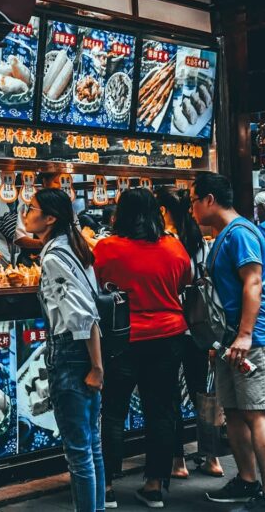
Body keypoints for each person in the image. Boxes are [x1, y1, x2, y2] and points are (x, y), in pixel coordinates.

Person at [191, 172, 265, 512]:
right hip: (231, 339)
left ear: (209, 200)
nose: (191, 208)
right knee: (233, 411)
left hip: (255, 337)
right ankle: (247, 481)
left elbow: (253, 283)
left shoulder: (242, 233)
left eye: (193, 200)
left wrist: (246, 334)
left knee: (258, 413)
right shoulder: (225, 235)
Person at [94, 188, 192, 508]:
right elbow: (183, 284)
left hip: (122, 340)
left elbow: (96, 287)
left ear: (120, 213)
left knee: (112, 411)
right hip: (168, 338)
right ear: (156, 213)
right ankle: (153, 486)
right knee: (161, 411)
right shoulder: (175, 247)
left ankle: (106, 487)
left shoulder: (107, 247)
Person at [22, 188, 105, 512]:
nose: (26, 213)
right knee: (91, 446)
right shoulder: (72, 246)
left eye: (31, 208)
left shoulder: (55, 257)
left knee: (79, 452)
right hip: (82, 352)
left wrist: (96, 367)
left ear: (50, 218)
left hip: (71, 353)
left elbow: (83, 315)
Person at [156, 186, 224, 480]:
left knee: (170, 393)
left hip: (171, 325)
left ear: (162, 211)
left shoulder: (165, 243)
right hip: (198, 326)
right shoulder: (201, 242)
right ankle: (212, 458)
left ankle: (177, 461)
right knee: (203, 393)